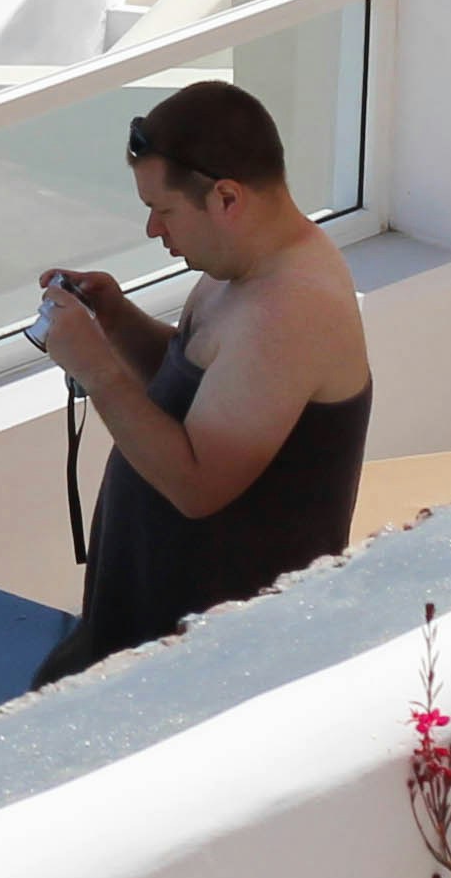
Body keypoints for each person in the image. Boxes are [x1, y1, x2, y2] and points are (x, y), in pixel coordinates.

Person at [31, 82, 375, 681]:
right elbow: (205, 383)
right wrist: (117, 321)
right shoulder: (242, 274)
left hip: (214, 670)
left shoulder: (291, 309)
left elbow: (197, 485)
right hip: (145, 635)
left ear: (225, 198)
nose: (152, 231)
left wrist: (96, 367)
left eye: (163, 211)